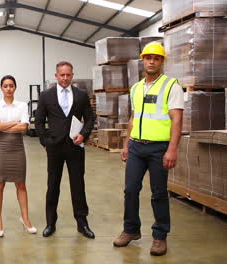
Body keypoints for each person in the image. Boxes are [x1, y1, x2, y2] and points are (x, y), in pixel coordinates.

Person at [113, 42, 184, 256]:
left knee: (159, 193)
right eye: (148, 58)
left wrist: (172, 149)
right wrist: (126, 144)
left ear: (162, 61)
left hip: (159, 149)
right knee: (130, 190)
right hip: (136, 147)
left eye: (156, 58)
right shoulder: (135, 88)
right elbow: (133, 118)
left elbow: (177, 119)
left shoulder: (171, 86)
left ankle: (160, 236)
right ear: (143, 60)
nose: (151, 61)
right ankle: (130, 230)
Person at [35, 61, 96, 239]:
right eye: (61, 75)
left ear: (72, 75)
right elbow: (39, 121)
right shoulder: (46, 96)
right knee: (53, 184)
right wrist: (45, 141)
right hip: (54, 147)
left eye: (68, 75)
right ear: (56, 76)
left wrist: (84, 135)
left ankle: (82, 223)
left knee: (78, 185)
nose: (65, 78)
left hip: (75, 146)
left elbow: (90, 118)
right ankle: (50, 223)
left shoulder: (81, 95)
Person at [0, 75, 36, 237]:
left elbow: (23, 128)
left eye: (11, 85)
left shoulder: (22, 105)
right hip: (0, 148)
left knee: (21, 184)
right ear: (1, 88)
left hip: (17, 148)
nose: (8, 88)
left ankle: (25, 218)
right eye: (5, 86)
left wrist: (3, 125)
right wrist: (14, 123)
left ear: (15, 87)